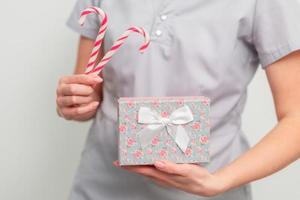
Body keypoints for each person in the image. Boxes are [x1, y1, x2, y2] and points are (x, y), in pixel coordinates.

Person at [56, 0, 300, 199]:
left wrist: (219, 181)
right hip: (101, 184)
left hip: (207, 187)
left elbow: (296, 119)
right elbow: (89, 95)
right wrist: (76, 101)